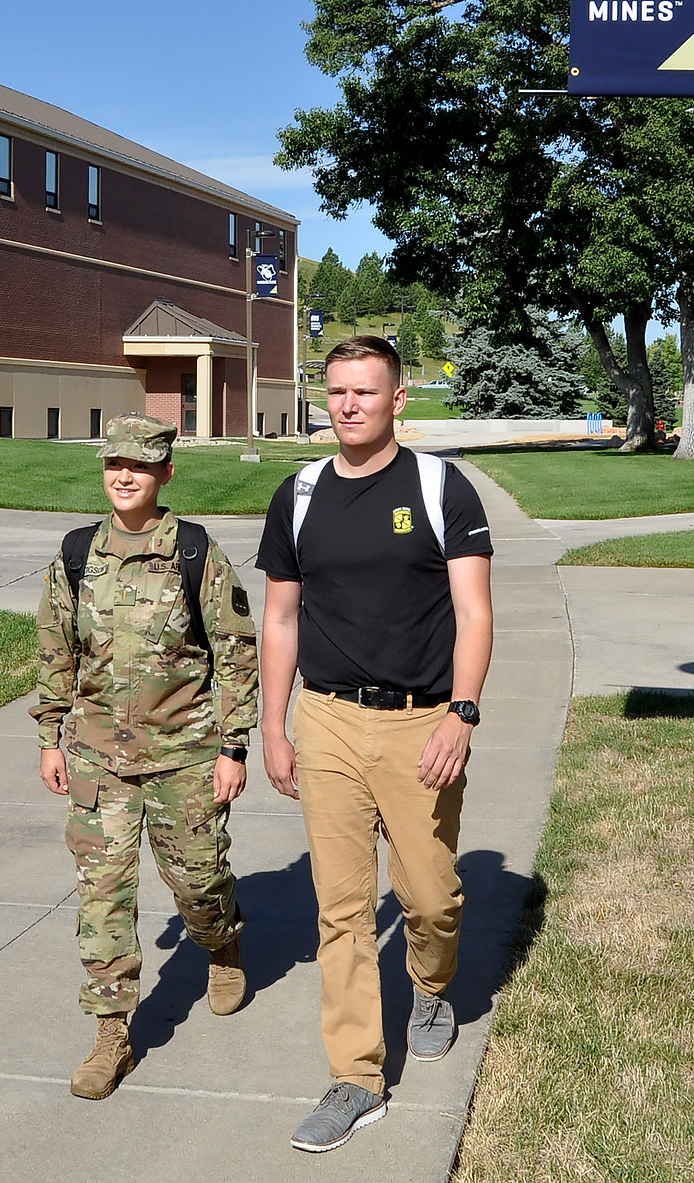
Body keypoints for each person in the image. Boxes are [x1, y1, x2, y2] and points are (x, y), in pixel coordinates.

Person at [254, 335, 495, 1153]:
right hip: (325, 720)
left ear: (399, 400)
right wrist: (272, 723)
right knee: (344, 911)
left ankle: (431, 986)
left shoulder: (439, 488)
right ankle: (356, 1078)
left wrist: (461, 713)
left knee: (429, 897)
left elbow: (474, 612)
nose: (348, 405)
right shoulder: (300, 493)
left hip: (421, 721)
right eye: (336, 391)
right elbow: (281, 617)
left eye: (364, 391)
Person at [32, 412, 260, 1100]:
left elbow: (237, 653)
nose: (124, 476)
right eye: (113, 465)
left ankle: (220, 942)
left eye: (139, 465)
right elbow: (54, 650)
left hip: (185, 755)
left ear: (165, 472)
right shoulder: (76, 555)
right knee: (103, 897)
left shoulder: (196, 554)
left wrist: (233, 746)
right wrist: (50, 735)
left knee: (196, 881)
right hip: (99, 757)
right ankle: (111, 1035)